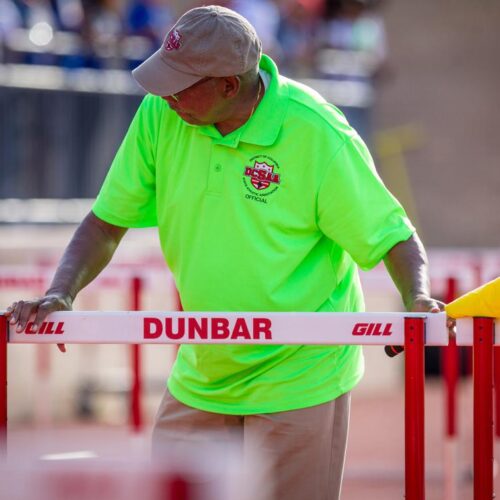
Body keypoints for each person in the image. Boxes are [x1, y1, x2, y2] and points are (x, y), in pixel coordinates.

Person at [5, 5, 445, 499]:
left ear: (229, 87)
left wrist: (418, 299)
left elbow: (393, 236)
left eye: (179, 84)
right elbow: (106, 222)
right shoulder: (160, 113)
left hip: (300, 373)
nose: (163, 94)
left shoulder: (317, 133)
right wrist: (61, 292)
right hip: (204, 368)